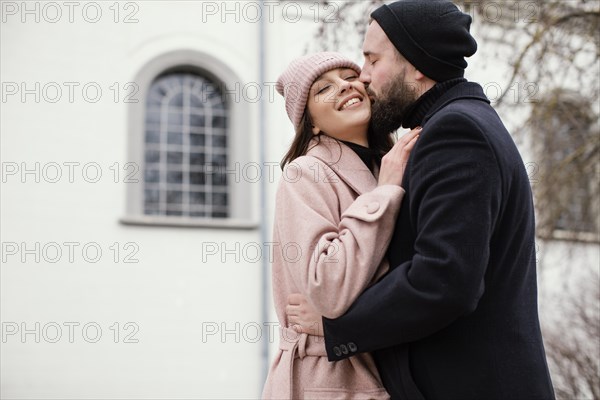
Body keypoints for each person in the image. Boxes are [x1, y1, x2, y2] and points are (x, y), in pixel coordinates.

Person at [286, 1, 556, 399]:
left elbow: (444, 279)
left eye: (372, 60)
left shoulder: (454, 132)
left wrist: (335, 328)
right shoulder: (446, 128)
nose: (362, 77)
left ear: (416, 65)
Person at [261, 52, 420, 399]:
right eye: (323, 89)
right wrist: (384, 195)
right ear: (311, 122)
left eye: (349, 76)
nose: (345, 86)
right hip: (328, 378)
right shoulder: (305, 173)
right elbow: (328, 286)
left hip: (389, 363)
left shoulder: (392, 164)